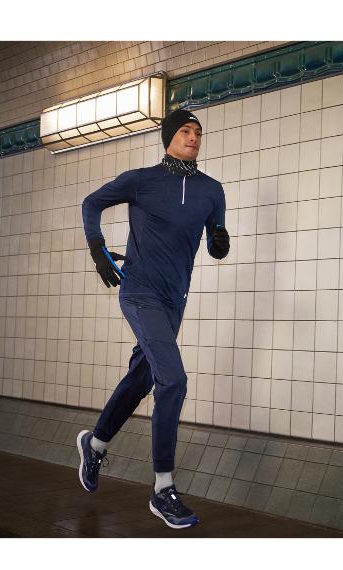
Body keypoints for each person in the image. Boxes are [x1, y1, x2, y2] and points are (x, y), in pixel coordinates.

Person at [76, 108, 229, 529]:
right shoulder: (142, 180)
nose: (193, 137)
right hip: (139, 292)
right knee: (173, 379)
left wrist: (219, 241)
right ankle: (163, 489)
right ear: (168, 137)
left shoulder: (212, 190)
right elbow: (92, 203)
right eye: (185, 130)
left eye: (198, 132)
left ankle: (96, 442)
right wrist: (97, 249)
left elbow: (217, 246)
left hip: (174, 299)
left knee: (144, 376)